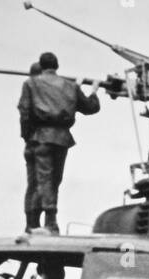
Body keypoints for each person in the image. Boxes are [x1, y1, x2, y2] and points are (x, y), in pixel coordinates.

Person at [17, 51, 100, 235]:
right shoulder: (69, 86)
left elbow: (25, 111)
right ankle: (44, 221)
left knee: (43, 180)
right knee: (54, 180)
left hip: (40, 137)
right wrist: (94, 91)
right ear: (57, 66)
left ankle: (47, 221)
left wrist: (27, 137)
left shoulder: (31, 83)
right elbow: (90, 107)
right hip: (61, 139)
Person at [21, 63, 42, 234]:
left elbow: (24, 116)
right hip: (41, 142)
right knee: (44, 184)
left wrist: (27, 137)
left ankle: (31, 223)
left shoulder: (28, 91)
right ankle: (35, 223)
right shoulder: (38, 92)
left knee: (33, 185)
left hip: (30, 144)